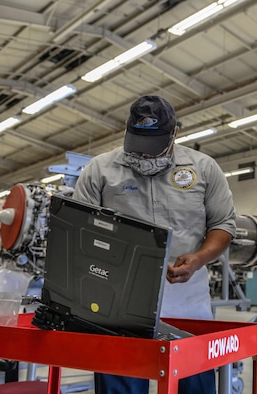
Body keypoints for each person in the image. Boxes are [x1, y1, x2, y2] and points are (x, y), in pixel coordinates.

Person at [72, 95, 236, 394]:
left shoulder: (204, 168)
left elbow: (223, 225)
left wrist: (199, 258)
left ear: (174, 133)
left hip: (187, 304)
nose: (145, 157)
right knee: (119, 386)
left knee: (194, 385)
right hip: (117, 306)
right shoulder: (100, 170)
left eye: (153, 147)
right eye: (138, 146)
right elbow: (78, 231)